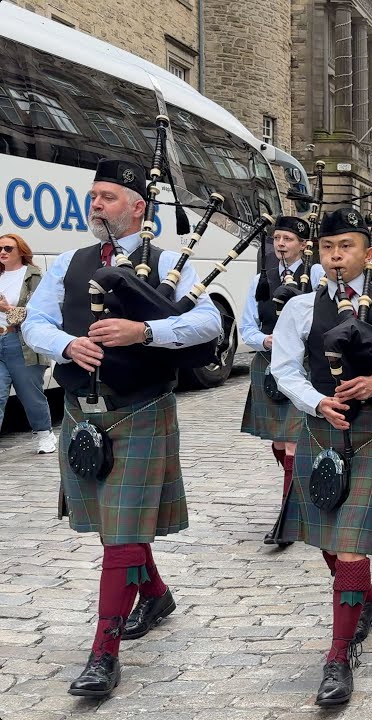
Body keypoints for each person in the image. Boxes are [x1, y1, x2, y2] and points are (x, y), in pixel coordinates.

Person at [22, 159, 223, 698]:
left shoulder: (168, 263)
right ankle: (154, 594)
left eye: (108, 197)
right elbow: (35, 321)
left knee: (123, 531)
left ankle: (103, 653)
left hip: (139, 409)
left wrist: (145, 331)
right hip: (82, 412)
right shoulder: (69, 262)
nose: (96, 205)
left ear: (138, 207)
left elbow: (210, 323)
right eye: (94, 197)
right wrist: (66, 344)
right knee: (118, 527)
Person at [271, 207, 372, 707]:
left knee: (349, 542)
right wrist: (316, 401)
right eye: (327, 247)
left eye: (346, 246)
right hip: (321, 426)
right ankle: (366, 597)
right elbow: (285, 368)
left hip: (369, 431)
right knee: (327, 539)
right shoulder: (300, 306)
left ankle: (339, 655)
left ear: (368, 251)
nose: (336, 256)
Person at [239, 217, 311, 546]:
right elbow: (247, 329)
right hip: (268, 366)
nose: (281, 244)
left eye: (288, 239)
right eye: (277, 238)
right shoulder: (261, 279)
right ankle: (301, 490)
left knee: (293, 441)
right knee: (280, 443)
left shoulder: (318, 277)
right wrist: (266, 341)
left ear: (303, 245)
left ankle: (287, 518)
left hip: (303, 367)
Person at [0, 232, 55, 453]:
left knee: (30, 394)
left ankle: (44, 434)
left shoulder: (33, 276)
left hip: (21, 343)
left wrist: (7, 309)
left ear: (21, 251)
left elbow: (38, 314)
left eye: (7, 248)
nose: (2, 252)